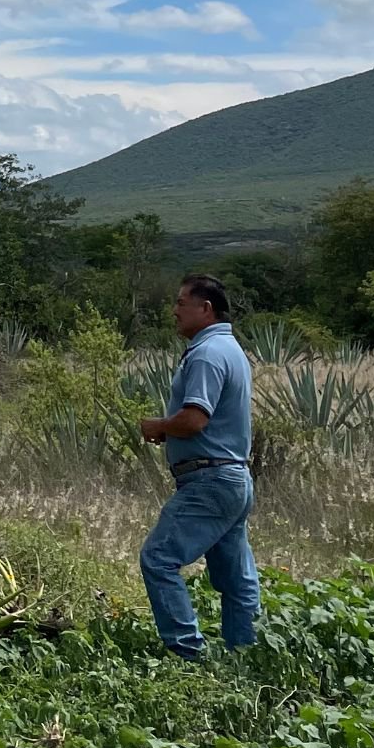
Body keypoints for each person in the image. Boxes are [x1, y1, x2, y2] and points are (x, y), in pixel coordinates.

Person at [136, 274, 259, 661]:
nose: (174, 311)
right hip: (233, 478)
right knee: (235, 578)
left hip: (209, 480)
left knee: (158, 559)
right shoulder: (231, 349)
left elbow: (194, 419)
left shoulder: (206, 354)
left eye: (181, 302)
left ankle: (186, 653)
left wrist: (159, 426)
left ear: (205, 308)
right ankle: (246, 655)